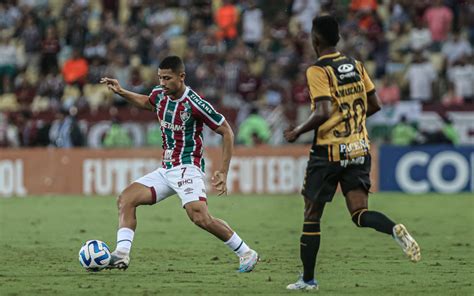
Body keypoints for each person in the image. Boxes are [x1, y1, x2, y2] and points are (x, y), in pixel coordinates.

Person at [283, 15, 420, 291]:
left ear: (316, 39)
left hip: (328, 152)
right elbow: (376, 104)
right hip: (358, 148)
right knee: (359, 213)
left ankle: (308, 281)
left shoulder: (318, 70)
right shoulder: (356, 65)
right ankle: (394, 229)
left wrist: (298, 130)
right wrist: (351, 123)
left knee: (312, 215)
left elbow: (322, 111)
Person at [99, 56, 258, 272]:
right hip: (166, 170)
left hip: (187, 167)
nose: (162, 83)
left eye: (167, 78)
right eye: (160, 78)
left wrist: (223, 171)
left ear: (181, 77)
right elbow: (148, 102)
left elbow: (226, 131)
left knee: (200, 217)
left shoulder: (195, 103)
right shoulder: (159, 94)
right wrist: (122, 91)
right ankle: (121, 255)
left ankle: (246, 252)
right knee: (126, 199)